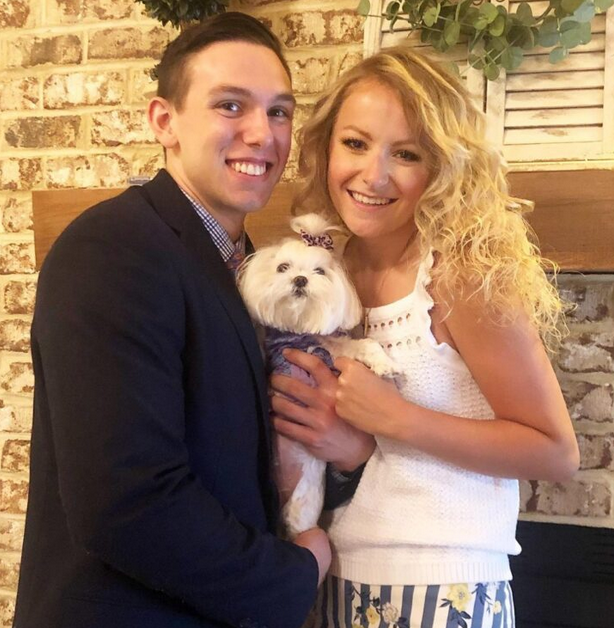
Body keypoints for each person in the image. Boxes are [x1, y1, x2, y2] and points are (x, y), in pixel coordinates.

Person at [13, 13, 333, 628]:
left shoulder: (248, 267)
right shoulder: (112, 248)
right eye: (230, 105)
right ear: (164, 121)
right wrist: (292, 575)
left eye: (279, 112)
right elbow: (127, 501)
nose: (261, 133)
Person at [270, 46, 580, 628]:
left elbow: (555, 452)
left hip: (445, 590)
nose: (373, 175)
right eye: (355, 143)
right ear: (325, 147)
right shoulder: (333, 270)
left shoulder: (459, 276)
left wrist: (395, 418)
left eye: (406, 153)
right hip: (342, 580)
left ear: (441, 167)